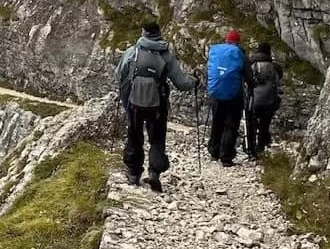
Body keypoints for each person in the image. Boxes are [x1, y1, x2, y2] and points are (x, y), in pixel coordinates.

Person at [116, 20, 198, 193]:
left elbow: (119, 73)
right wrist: (194, 81)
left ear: (143, 32)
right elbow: (181, 83)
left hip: (135, 102)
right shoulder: (166, 55)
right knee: (157, 138)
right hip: (157, 105)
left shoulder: (133, 52)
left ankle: (133, 173)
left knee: (134, 134)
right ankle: (154, 173)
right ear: (159, 33)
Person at [206, 30, 255, 167]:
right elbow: (249, 76)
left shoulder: (215, 51)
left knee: (217, 123)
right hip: (234, 95)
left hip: (215, 93)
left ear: (226, 40)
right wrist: (252, 86)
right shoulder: (240, 53)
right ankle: (226, 157)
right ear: (238, 42)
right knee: (231, 125)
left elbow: (208, 71)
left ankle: (214, 152)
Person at [245, 42, 284, 158]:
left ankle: (250, 148)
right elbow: (278, 80)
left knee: (251, 123)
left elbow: (247, 80)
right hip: (269, 100)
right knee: (264, 125)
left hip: (254, 99)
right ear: (269, 52)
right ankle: (261, 147)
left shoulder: (252, 65)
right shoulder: (275, 67)